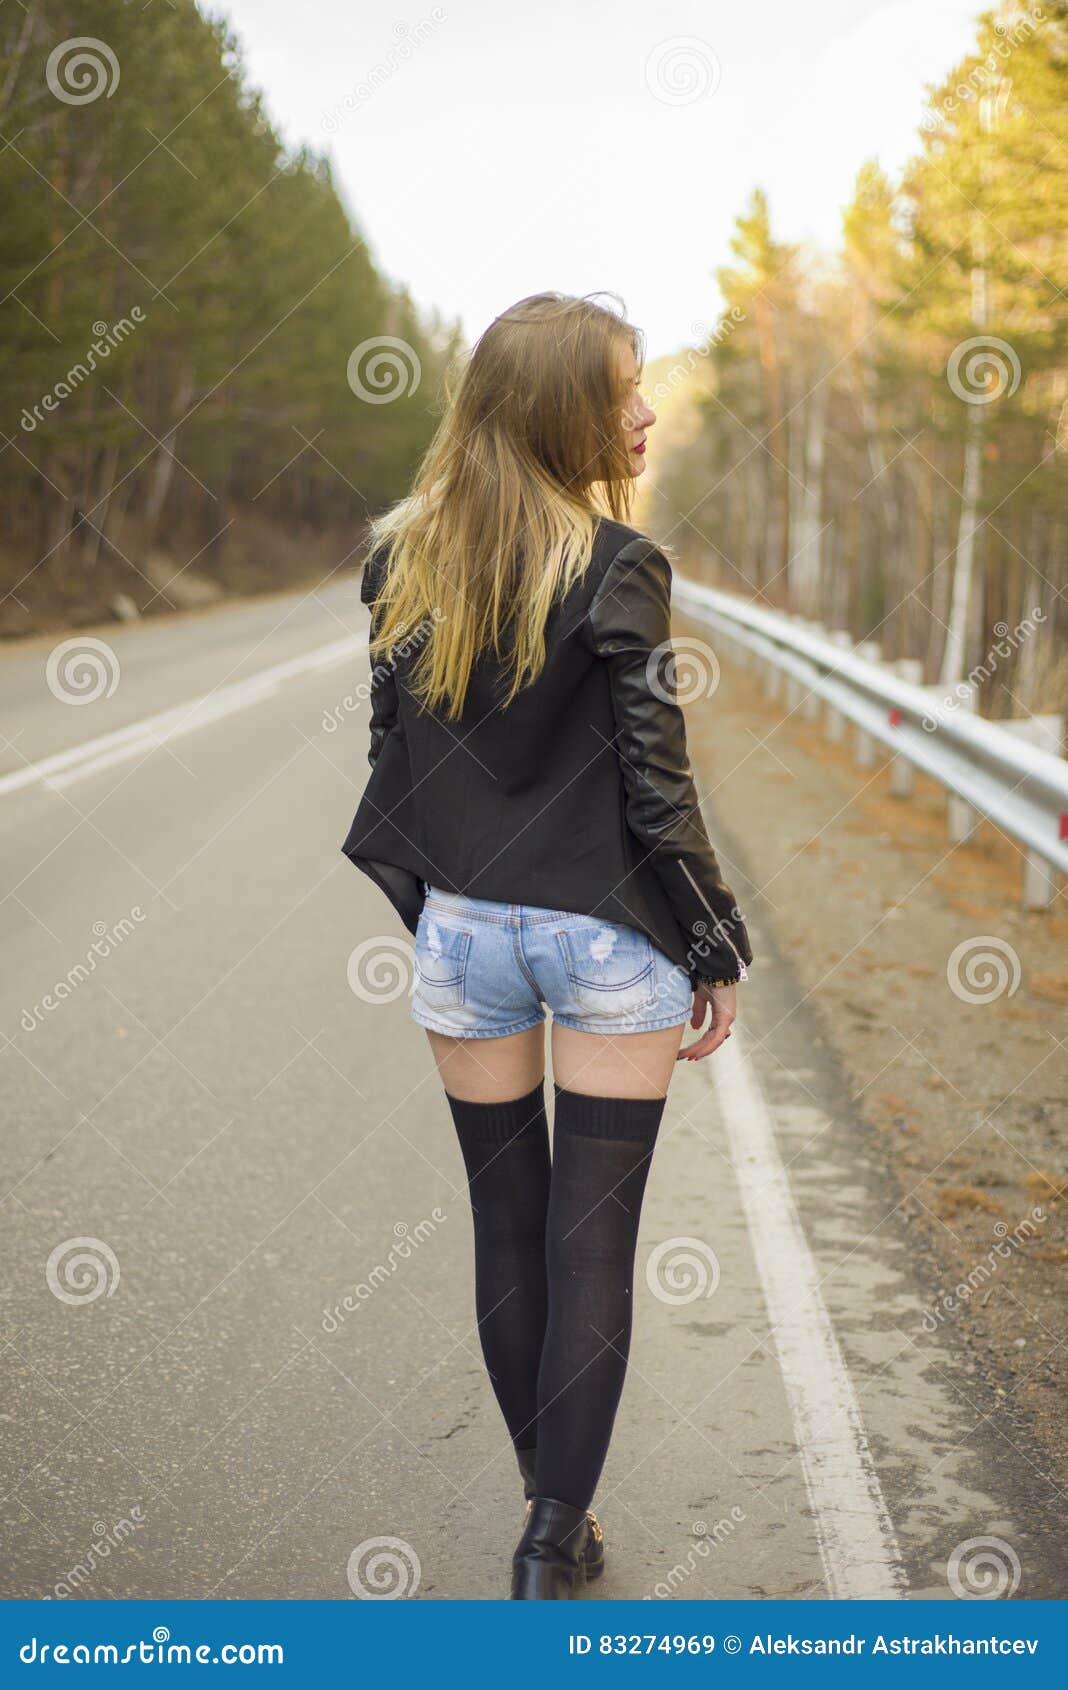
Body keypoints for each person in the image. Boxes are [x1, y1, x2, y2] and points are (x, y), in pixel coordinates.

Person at [342, 292, 753, 1599]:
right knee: (591, 1242)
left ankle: (548, 1517)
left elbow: (388, 757)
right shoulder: (621, 563)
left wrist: (439, 917)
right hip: (607, 937)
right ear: (563, 411)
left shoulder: (401, 555)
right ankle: (548, 1536)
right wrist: (714, 941)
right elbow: (656, 780)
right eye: (626, 391)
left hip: (464, 934)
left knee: (507, 1227)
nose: (646, 413)